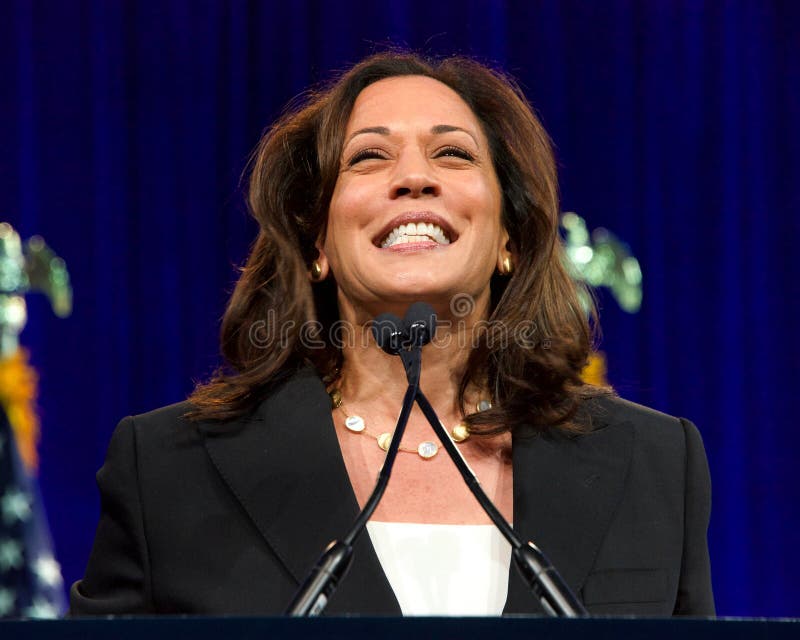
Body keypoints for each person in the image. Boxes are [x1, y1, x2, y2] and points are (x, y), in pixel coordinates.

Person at [69, 51, 714, 617]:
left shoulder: (654, 463)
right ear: (317, 239)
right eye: (370, 156)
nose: (414, 177)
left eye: (453, 153)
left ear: (509, 238)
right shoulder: (168, 473)